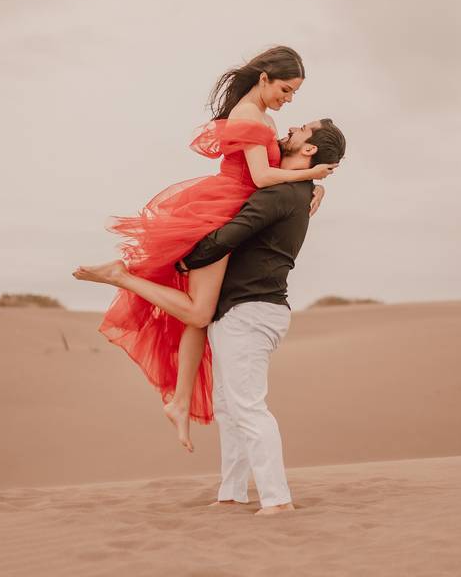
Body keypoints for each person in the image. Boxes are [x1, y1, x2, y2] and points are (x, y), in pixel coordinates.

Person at [74, 119, 347, 515]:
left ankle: (277, 500)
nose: (291, 127)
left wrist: (184, 260)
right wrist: (317, 185)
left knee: (248, 407)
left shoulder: (281, 195)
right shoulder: (294, 191)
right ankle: (232, 492)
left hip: (251, 311)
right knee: (229, 406)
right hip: (243, 311)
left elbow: (229, 235)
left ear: (309, 150)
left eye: (302, 129)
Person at [72, 46, 337, 453]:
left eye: (294, 94)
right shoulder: (250, 116)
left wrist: (311, 185)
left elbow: (274, 173)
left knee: (200, 316)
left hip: (231, 208)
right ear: (264, 78)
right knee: (198, 311)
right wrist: (315, 175)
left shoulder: (262, 117)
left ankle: (179, 401)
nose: (289, 100)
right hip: (220, 213)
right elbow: (262, 176)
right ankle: (119, 275)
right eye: (286, 89)